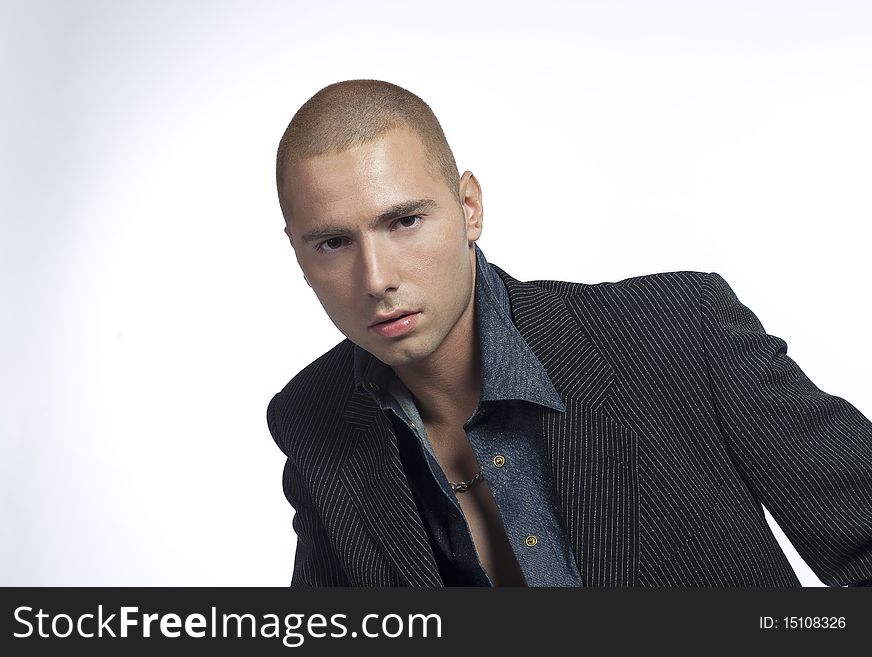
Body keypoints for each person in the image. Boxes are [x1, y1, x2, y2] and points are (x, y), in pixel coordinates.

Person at [266, 79, 872, 587]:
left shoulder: (679, 332)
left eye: (404, 221)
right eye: (334, 243)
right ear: (297, 253)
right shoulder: (313, 418)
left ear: (469, 207)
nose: (376, 279)